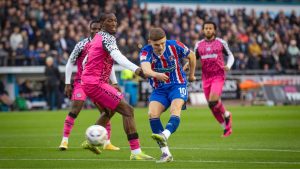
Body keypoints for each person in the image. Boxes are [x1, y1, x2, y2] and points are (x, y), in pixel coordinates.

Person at [80, 12, 153, 160]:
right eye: (109, 20)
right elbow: (118, 57)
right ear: (102, 24)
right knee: (128, 110)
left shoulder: (97, 38)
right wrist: (137, 69)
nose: (114, 23)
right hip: (95, 83)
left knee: (109, 111)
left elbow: (86, 61)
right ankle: (136, 152)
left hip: (91, 81)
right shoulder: (107, 38)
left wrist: (110, 81)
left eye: (115, 20)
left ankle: (90, 141)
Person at [59, 19, 120, 151]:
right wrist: (67, 83)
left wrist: (114, 82)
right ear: (89, 29)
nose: (96, 31)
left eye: (98, 29)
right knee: (76, 109)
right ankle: (64, 141)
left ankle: (106, 143)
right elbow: (70, 62)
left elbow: (110, 65)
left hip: (99, 84)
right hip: (82, 82)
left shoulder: (106, 44)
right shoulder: (81, 45)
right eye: (93, 29)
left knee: (106, 112)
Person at [140, 27, 196, 163]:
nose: (160, 47)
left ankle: (165, 134)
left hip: (178, 85)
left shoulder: (175, 45)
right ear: (149, 42)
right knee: (152, 114)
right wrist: (156, 74)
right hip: (159, 90)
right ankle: (166, 154)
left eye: (162, 43)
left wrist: (192, 75)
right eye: (156, 44)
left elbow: (192, 55)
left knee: (175, 109)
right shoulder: (145, 51)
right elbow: (146, 69)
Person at [194, 21, 234, 137]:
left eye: (210, 28)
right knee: (211, 105)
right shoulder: (199, 45)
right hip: (205, 78)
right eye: (206, 28)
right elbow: (194, 58)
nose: (208, 30)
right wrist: (189, 65)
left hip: (218, 76)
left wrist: (229, 66)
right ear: (203, 30)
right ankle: (225, 127)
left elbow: (231, 55)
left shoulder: (221, 42)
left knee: (213, 100)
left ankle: (226, 114)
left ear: (214, 30)